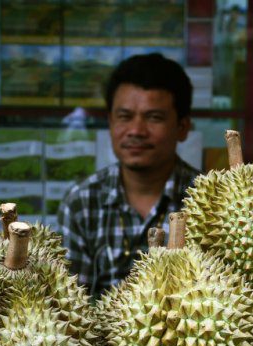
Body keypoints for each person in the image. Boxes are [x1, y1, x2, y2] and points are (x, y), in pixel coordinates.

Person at [57, 53, 200, 296]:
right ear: (110, 122)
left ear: (182, 127)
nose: (136, 130)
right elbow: (69, 305)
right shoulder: (81, 202)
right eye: (124, 117)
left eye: (154, 117)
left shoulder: (209, 201)